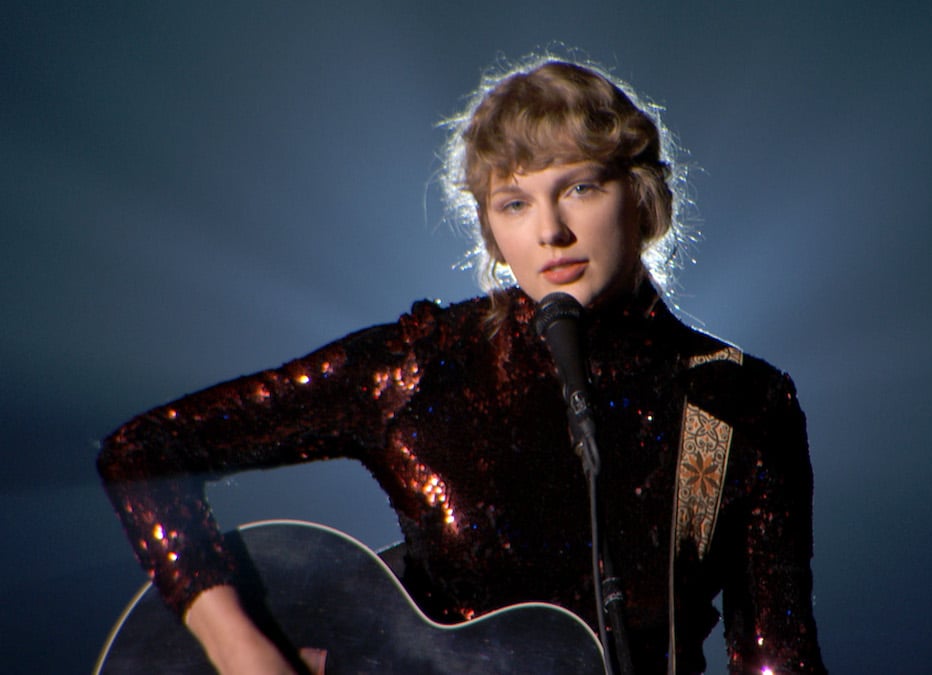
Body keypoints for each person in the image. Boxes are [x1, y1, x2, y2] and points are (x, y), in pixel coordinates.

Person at [98, 56, 827, 674]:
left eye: (580, 187)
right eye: (514, 202)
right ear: (491, 227)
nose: (550, 231)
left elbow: (778, 655)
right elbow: (141, 452)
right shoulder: (425, 365)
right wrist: (240, 649)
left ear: (639, 196)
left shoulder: (736, 402)